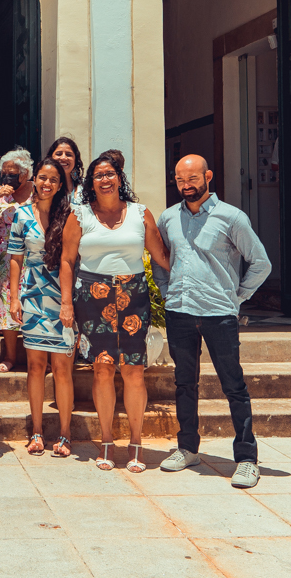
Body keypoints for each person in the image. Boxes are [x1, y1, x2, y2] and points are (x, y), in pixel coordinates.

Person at [157, 154, 271, 489]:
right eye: (180, 180)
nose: (186, 186)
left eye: (192, 179)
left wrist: (236, 297)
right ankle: (188, 448)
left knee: (233, 384)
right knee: (184, 383)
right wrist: (166, 292)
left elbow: (260, 262)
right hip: (180, 311)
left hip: (218, 314)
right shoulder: (168, 218)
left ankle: (247, 459)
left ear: (208, 176)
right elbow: (163, 260)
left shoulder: (231, 217)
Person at [60, 150, 169, 472]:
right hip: (91, 296)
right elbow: (66, 261)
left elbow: (161, 256)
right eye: (98, 175)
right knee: (103, 368)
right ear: (90, 183)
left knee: (134, 370)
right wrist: (66, 303)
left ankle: (136, 442)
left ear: (120, 178)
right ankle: (106, 441)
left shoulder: (140, 213)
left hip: (133, 295)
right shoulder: (79, 215)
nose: (105, 179)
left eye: (110, 174)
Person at [11, 159, 76, 456]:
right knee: (35, 368)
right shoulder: (21, 215)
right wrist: (13, 297)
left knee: (62, 368)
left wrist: (68, 303)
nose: (47, 183)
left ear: (61, 185)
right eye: (42, 177)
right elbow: (15, 258)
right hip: (33, 297)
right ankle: (36, 432)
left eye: (53, 179)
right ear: (33, 180)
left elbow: (74, 260)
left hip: (63, 299)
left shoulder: (71, 215)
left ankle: (65, 434)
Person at [0, 148, 34, 373]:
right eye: (4, 173)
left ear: (25, 174)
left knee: (33, 301)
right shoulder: (2, 195)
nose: (7, 178)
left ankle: (38, 356)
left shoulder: (37, 192)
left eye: (12, 174)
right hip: (5, 255)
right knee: (7, 302)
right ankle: (10, 356)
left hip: (33, 254)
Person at [46, 136, 85, 206]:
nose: (63, 157)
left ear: (75, 160)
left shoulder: (85, 186)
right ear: (50, 158)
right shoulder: (45, 185)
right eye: (59, 154)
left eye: (68, 154)